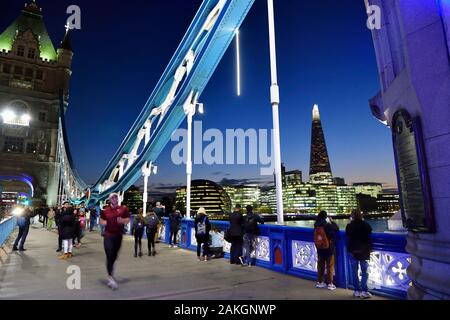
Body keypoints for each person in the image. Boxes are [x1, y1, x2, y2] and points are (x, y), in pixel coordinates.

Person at [100, 193, 130, 290]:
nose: (114, 198)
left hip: (118, 236)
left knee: (114, 255)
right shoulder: (105, 210)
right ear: (109, 200)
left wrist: (123, 221)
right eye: (112, 197)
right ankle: (110, 277)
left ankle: (111, 268)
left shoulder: (123, 209)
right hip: (108, 235)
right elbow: (101, 220)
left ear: (118, 199)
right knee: (109, 254)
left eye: (116, 197)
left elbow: (128, 219)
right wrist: (105, 223)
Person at [346, 209, 373, 299]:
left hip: (353, 251)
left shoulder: (349, 225)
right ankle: (364, 291)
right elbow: (370, 230)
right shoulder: (365, 224)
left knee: (354, 272)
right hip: (363, 251)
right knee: (364, 272)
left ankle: (357, 291)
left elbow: (348, 234)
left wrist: (351, 223)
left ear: (352, 216)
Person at [314, 211, 340, 291]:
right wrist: (331, 222)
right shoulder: (327, 225)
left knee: (320, 265)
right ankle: (330, 284)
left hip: (320, 247)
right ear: (325, 217)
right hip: (328, 248)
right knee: (330, 266)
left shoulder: (316, 225)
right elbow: (336, 229)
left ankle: (320, 282)